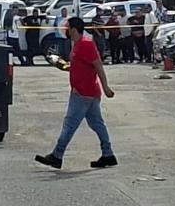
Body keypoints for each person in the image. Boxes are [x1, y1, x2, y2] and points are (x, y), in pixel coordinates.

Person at [35, 17, 116, 169]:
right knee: (97, 124)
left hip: (83, 92)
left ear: (73, 29)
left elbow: (98, 66)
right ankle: (108, 154)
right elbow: (79, 66)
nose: (65, 30)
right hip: (85, 91)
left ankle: (57, 155)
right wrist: (62, 65)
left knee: (70, 124)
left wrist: (106, 87)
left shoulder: (86, 44)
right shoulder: (77, 45)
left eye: (67, 27)